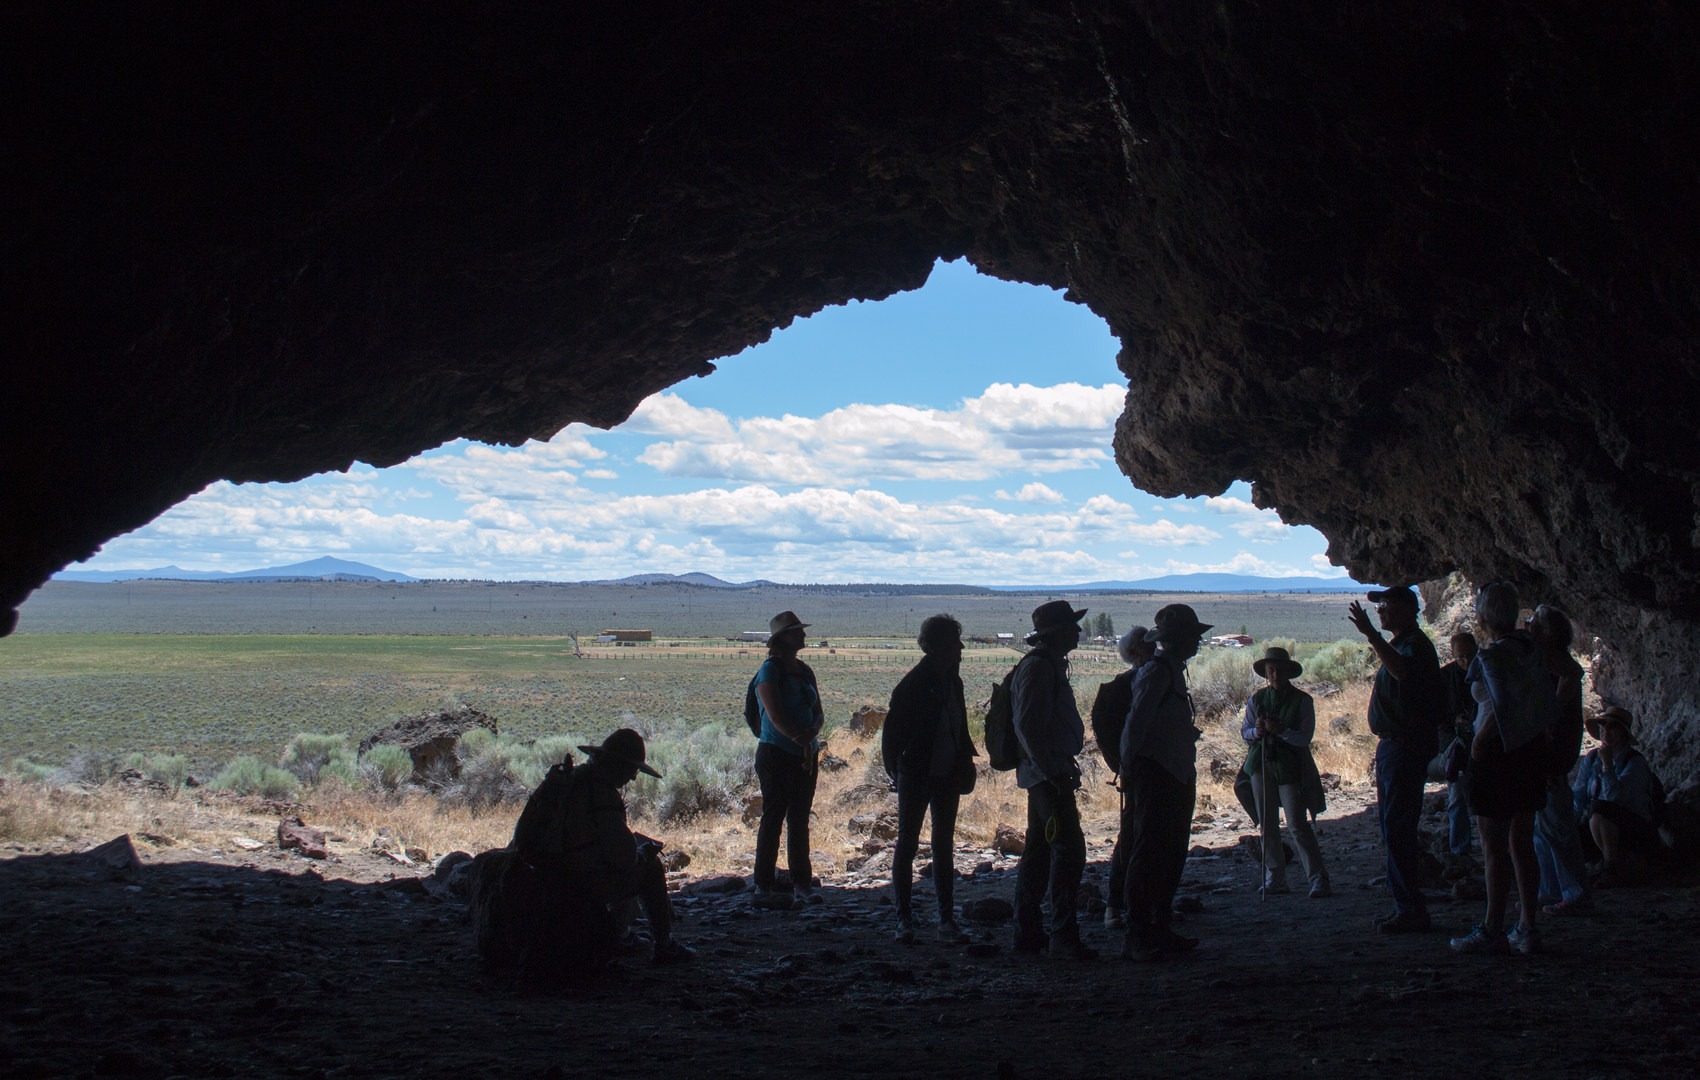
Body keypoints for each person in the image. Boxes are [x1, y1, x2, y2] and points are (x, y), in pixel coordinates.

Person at [475, 728, 693, 973]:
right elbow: (623, 859)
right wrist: (642, 854)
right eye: (632, 770)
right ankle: (663, 945)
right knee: (648, 867)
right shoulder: (603, 796)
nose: (632, 778)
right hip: (576, 881)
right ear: (619, 766)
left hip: (545, 873)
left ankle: (621, 935)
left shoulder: (568, 781)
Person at [1450, 582, 1553, 956]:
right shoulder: (1532, 649)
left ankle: (1493, 928)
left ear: (1482, 617)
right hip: (1529, 753)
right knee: (1522, 842)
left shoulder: (1492, 657)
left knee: (1493, 846)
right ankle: (1528, 926)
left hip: (1496, 756)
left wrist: (1478, 746)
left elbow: (1500, 705)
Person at [1347, 584, 1442, 934]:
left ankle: (1410, 909)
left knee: (1398, 827)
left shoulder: (1414, 645)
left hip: (1405, 746)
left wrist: (1372, 635)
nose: (1381, 610)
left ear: (1406, 608)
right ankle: (1406, 903)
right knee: (1394, 827)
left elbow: (1402, 671)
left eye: (1386, 604)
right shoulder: (1406, 644)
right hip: (1395, 746)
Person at [1119, 603, 1210, 960]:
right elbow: (1135, 722)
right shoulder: (1157, 673)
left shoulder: (1167, 670)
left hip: (1171, 771)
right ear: (1179, 640)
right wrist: (1129, 769)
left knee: (1168, 851)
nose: (1198, 643)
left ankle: (1157, 927)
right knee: (1150, 853)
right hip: (1157, 773)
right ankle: (1139, 933)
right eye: (1193, 637)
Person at [883, 614, 977, 944]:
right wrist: (898, 770)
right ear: (937, 647)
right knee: (913, 843)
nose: (960, 648)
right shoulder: (915, 685)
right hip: (921, 772)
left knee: (935, 845)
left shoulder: (950, 681)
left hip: (941, 771)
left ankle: (929, 919)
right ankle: (912, 919)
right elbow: (894, 735)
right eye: (954, 642)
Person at [1009, 599, 1094, 959]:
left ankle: (1028, 933)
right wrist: (1050, 770)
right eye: (1071, 626)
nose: (1077, 631)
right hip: (1048, 775)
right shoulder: (1040, 670)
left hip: (1044, 773)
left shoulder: (1045, 666)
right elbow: (1029, 725)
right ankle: (1062, 934)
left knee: (1040, 850)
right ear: (1055, 632)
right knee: (1068, 850)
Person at [1238, 646, 1330, 898]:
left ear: (1288, 671)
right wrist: (1257, 731)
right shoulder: (1256, 700)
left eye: (1278, 669)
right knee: (1266, 823)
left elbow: (1304, 737)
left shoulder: (1302, 701)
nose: (1275, 673)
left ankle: (1318, 877)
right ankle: (1275, 876)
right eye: (1271, 670)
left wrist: (1281, 732)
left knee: (1297, 823)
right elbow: (1245, 733)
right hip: (1260, 765)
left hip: (1290, 767)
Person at [751, 610, 826, 910]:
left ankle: (801, 883)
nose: (804, 635)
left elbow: (819, 711)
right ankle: (763, 883)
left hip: (806, 754)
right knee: (773, 818)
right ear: (784, 639)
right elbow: (774, 714)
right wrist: (801, 737)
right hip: (777, 754)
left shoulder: (805, 671)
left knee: (799, 819)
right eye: (797, 631)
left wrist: (811, 734)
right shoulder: (769, 672)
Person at [1529, 605, 1592, 916]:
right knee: (1544, 824)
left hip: (1553, 753)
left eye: (1534, 620)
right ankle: (1552, 890)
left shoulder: (1555, 659)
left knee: (1556, 823)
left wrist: (1551, 715)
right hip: (1554, 751)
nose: (1527, 622)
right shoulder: (1548, 658)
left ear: (1546, 631)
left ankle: (1574, 892)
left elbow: (1573, 673)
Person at [1095, 625, 1153, 931]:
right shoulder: (1134, 683)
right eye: (1146, 644)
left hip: (1136, 768)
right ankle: (1119, 905)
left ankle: (1121, 905)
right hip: (1142, 770)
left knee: (1134, 835)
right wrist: (1124, 765)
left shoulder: (1127, 683)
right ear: (1135, 652)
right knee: (1134, 836)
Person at [1575, 706, 1662, 885]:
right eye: (1603, 725)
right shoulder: (1591, 759)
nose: (1606, 730)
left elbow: (1615, 798)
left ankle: (1610, 866)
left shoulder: (1634, 762)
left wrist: (1608, 766)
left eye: (1612, 726)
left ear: (1623, 733)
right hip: (1596, 825)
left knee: (1599, 810)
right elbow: (1579, 794)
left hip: (1633, 829)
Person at [1439, 632, 1479, 863]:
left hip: (1484, 741)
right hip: (1456, 744)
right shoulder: (1445, 677)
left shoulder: (1486, 672)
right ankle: (1460, 850)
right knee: (1456, 795)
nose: (1465, 661)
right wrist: (1455, 722)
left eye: (1469, 656)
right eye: (1460, 657)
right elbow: (1436, 713)